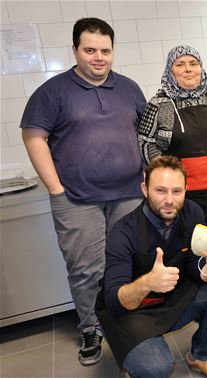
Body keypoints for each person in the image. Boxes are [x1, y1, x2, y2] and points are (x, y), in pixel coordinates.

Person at [20, 18, 146, 366]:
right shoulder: (53, 91)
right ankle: (91, 328)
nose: (98, 57)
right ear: (75, 50)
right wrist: (56, 189)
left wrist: (146, 179)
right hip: (76, 199)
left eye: (105, 51)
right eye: (90, 50)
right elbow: (33, 137)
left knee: (129, 261)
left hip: (129, 194)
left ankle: (128, 320)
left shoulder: (129, 88)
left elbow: (146, 136)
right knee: (86, 268)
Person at [95, 155, 207, 378]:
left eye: (176, 191)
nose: (169, 200)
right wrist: (147, 282)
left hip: (172, 298)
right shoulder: (123, 232)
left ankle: (202, 355)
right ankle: (135, 361)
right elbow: (114, 301)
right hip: (132, 311)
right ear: (144, 189)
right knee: (155, 367)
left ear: (186, 190)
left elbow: (192, 264)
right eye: (160, 191)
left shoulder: (192, 213)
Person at [137, 45, 207, 312]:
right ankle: (199, 291)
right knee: (194, 241)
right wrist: (165, 170)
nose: (188, 69)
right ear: (170, 70)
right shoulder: (159, 104)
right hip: (187, 190)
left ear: (201, 67)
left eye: (193, 63)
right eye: (180, 64)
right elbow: (145, 141)